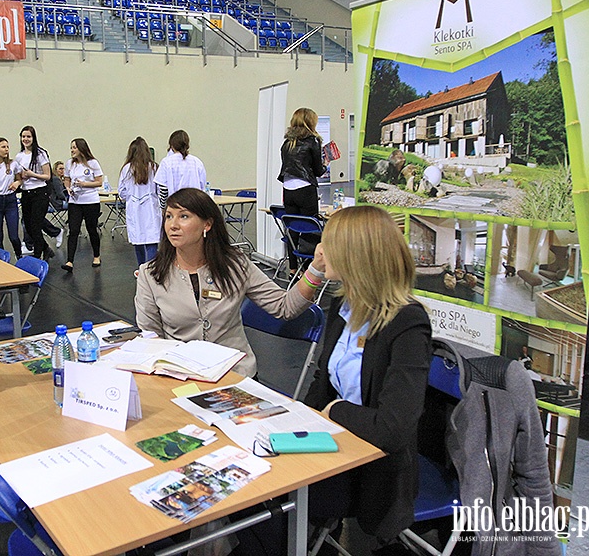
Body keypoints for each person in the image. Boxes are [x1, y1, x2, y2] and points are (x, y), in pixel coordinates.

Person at [301, 205, 432, 553]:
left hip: (375, 468)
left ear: (357, 256)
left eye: (330, 244)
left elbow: (392, 429)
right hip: (337, 443)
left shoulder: (407, 325)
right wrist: (291, 422)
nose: (321, 252)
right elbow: (323, 381)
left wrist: (335, 411)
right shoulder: (342, 307)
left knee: (273, 503)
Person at [135, 188, 321, 378]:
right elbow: (151, 337)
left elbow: (284, 307)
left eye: (183, 216)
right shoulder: (150, 274)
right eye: (168, 216)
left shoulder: (235, 265)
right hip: (181, 376)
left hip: (235, 375)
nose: (172, 225)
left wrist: (315, 269)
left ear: (207, 225)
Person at [277, 108, 326, 274]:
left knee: (293, 229)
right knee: (310, 230)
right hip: (305, 189)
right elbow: (318, 171)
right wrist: (326, 164)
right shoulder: (312, 141)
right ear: (310, 122)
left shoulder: (286, 143)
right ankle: (308, 270)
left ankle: (292, 268)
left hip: (288, 189)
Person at [62, 138, 103, 271]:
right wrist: (68, 188)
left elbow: (99, 182)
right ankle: (70, 261)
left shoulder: (93, 163)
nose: (72, 150)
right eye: (71, 147)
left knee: (91, 229)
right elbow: (67, 179)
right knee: (73, 230)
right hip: (75, 201)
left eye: (74, 147)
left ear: (81, 148)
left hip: (90, 200)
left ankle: (96, 255)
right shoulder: (70, 164)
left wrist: (85, 184)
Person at [119, 136, 161, 266]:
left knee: (138, 241)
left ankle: (141, 270)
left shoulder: (126, 169)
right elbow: (160, 190)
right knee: (151, 241)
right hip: (151, 209)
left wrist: (131, 197)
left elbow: (122, 192)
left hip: (134, 208)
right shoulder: (154, 168)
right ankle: (151, 271)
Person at [15, 125, 54, 260]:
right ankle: (45, 248)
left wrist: (32, 174)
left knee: (36, 225)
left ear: (33, 138)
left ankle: (38, 256)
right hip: (26, 194)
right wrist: (21, 177)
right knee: (29, 227)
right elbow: (18, 176)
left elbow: (47, 176)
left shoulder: (40, 154)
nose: (26, 139)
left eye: (28, 136)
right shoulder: (19, 156)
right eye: (23, 136)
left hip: (40, 193)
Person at [155, 129, 206, 210]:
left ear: (172, 145)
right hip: (195, 205)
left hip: (175, 206)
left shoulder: (167, 162)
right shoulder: (197, 162)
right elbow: (202, 186)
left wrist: (163, 208)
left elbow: (163, 189)